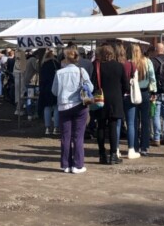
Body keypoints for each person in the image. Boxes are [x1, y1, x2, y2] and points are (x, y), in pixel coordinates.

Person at [52, 46, 93, 174]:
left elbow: (54, 91)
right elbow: (90, 88)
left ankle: (66, 165)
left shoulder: (59, 73)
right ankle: (78, 165)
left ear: (65, 58)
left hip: (63, 106)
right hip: (79, 105)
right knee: (78, 136)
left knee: (65, 136)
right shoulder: (82, 71)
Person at [91, 44, 129, 165]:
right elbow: (126, 86)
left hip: (101, 100)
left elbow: (93, 84)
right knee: (113, 126)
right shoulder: (119, 66)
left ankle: (102, 154)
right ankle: (113, 154)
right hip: (115, 100)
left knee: (101, 127)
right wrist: (120, 93)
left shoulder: (97, 67)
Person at [131, 43, 156, 156]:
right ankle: (145, 147)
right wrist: (153, 91)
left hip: (133, 93)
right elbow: (152, 77)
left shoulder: (130, 63)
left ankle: (135, 146)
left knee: (134, 121)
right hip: (145, 92)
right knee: (145, 121)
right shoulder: (147, 61)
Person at [116, 44, 137, 158]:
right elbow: (135, 79)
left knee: (118, 124)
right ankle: (131, 149)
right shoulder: (131, 65)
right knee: (131, 124)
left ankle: (116, 149)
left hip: (118, 96)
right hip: (130, 95)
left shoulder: (116, 65)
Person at [151, 42, 164, 146]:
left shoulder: (152, 61)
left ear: (156, 50)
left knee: (156, 115)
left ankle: (157, 138)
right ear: (163, 50)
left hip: (156, 92)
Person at [38, 49, 60, 135]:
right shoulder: (57, 64)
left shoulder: (43, 65)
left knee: (47, 108)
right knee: (56, 108)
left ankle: (47, 128)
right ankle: (56, 128)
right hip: (55, 88)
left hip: (45, 88)